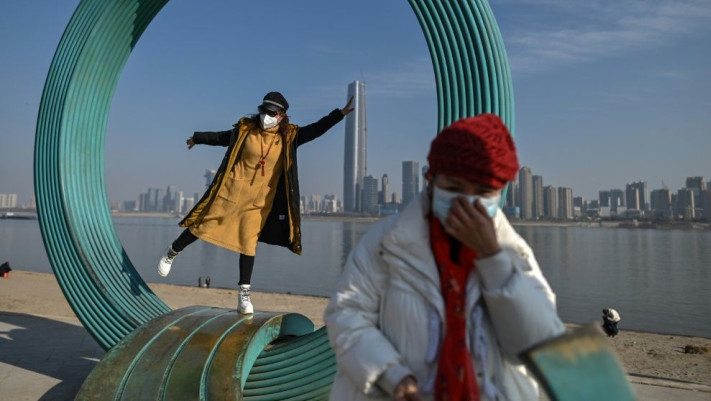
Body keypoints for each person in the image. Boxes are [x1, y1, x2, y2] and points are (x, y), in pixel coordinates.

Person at [324, 113, 565, 401]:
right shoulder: (387, 243)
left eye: (483, 192)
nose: (467, 202)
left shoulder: (514, 251)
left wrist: (493, 259)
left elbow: (539, 346)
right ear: (431, 179)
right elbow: (346, 313)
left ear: (499, 193)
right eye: (453, 188)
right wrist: (392, 376)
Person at [158, 91, 354, 314]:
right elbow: (220, 138)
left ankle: (244, 294)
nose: (265, 117)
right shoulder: (245, 132)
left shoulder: (289, 138)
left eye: (271, 113)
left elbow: (317, 129)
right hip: (231, 193)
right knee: (203, 225)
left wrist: (339, 114)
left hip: (258, 203)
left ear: (281, 115)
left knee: (248, 243)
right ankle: (172, 251)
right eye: (263, 111)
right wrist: (196, 138)